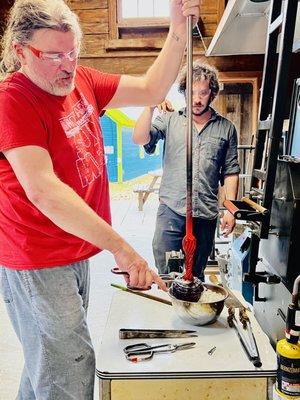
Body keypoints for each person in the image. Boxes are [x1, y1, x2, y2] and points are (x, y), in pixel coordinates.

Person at [0, 0, 200, 399]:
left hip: (73, 251)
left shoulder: (82, 81)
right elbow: (43, 190)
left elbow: (152, 88)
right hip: (37, 257)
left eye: (73, 52)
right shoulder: (12, 100)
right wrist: (123, 249)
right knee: (70, 370)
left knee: (48, 363)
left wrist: (178, 30)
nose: (67, 65)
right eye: (53, 55)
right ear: (21, 51)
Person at [133, 61, 240, 278]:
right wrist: (150, 105)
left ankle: (191, 310)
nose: (197, 99)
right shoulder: (170, 119)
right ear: (183, 92)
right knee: (166, 272)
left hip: (205, 214)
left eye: (203, 92)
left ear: (212, 93)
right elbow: (139, 138)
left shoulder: (226, 128)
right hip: (171, 210)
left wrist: (230, 209)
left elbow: (230, 171)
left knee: (196, 274)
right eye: (192, 92)